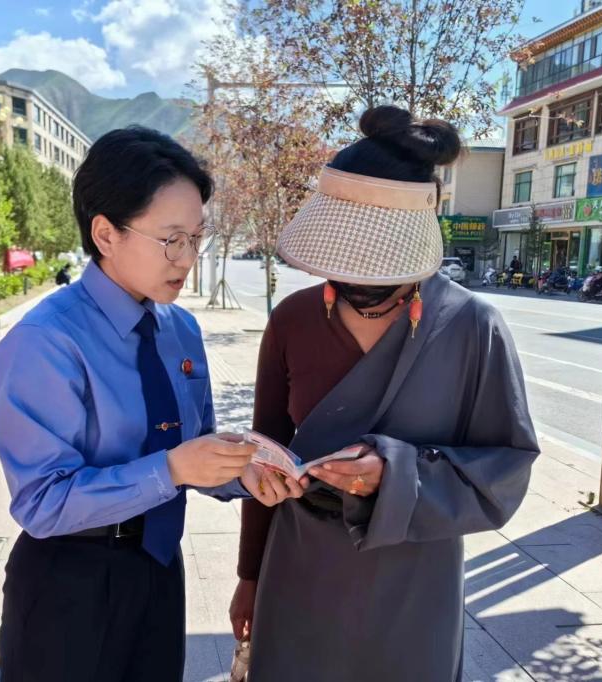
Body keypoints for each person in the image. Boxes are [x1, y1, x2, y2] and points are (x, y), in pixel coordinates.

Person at [228, 106, 540, 681]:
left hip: (416, 576)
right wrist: (250, 576)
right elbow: (265, 447)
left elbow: (506, 467)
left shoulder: (472, 326)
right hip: (299, 569)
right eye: (340, 261)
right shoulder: (293, 319)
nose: (355, 277)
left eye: (375, 264)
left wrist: (395, 475)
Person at [0, 126, 302, 682]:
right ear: (106, 234)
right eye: (171, 239)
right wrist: (173, 469)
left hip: (159, 569)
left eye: (197, 238)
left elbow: (194, 447)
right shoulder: (46, 341)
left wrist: (242, 471)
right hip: (70, 584)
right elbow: (42, 503)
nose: (187, 259)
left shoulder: (180, 329)